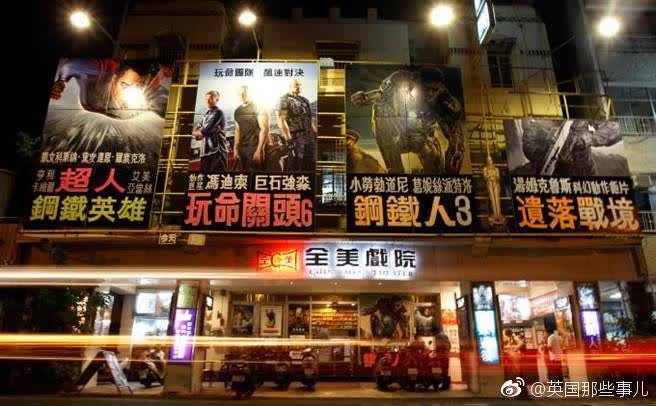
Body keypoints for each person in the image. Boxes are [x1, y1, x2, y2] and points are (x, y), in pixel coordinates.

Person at [350, 67, 465, 175]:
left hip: (422, 134)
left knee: (434, 165)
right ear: (416, 82)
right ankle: (395, 170)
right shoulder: (399, 81)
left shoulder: (448, 104)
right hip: (394, 130)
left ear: (440, 88)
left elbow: (456, 143)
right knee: (381, 109)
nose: (430, 94)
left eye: (434, 90)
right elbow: (381, 95)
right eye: (426, 89)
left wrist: (450, 173)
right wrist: (365, 98)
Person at [277, 79, 316, 171]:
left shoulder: (304, 100)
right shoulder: (284, 100)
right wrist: (289, 140)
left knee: (310, 165)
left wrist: (315, 134)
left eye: (300, 85)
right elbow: (281, 120)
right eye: (296, 85)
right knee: (295, 165)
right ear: (290, 86)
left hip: (308, 138)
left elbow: (309, 119)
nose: (298, 87)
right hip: (295, 137)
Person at [233, 85, 269, 171]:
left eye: (244, 93)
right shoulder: (237, 111)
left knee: (256, 174)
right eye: (239, 94)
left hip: (255, 147)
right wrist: (235, 147)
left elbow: (264, 129)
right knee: (245, 174)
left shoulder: (259, 107)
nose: (242, 96)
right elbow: (237, 130)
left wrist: (260, 149)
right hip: (242, 148)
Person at [192, 90, 228, 173]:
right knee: (204, 178)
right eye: (206, 99)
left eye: (211, 98)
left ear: (217, 99)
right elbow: (198, 135)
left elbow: (203, 132)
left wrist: (202, 132)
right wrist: (205, 131)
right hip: (205, 152)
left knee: (217, 177)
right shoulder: (206, 114)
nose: (208, 101)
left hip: (217, 152)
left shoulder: (218, 113)